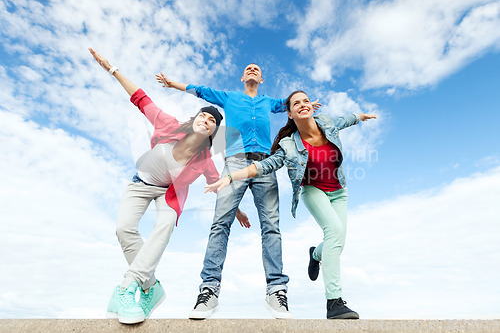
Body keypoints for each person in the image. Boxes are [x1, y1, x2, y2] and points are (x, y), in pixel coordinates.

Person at [88, 48, 250, 324]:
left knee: (163, 225)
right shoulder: (168, 124)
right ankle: (151, 286)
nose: (206, 120)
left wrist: (237, 211)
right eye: (203, 116)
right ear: (195, 119)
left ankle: (129, 286)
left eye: (212, 121)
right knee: (123, 229)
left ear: (213, 131)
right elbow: (140, 99)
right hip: (141, 184)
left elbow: (218, 185)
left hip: (169, 195)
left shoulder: (205, 161)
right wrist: (112, 69)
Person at [156, 66, 320, 319]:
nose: (252, 69)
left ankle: (276, 290)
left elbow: (292, 104)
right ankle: (209, 290)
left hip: (265, 164)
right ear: (243, 78)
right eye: (248, 69)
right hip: (235, 161)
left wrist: (305, 107)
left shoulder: (269, 102)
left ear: (261, 79)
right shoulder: (229, 97)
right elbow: (200, 90)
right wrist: (172, 84)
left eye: (257, 69)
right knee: (220, 223)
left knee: (271, 227)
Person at [205, 90, 377, 319]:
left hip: (339, 192)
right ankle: (334, 302)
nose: (303, 105)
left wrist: (361, 116)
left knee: (337, 241)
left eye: (306, 101)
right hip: (313, 190)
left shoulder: (326, 121)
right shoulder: (288, 143)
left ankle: (316, 255)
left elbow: (346, 119)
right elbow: (265, 166)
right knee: (334, 233)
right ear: (289, 113)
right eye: (296, 103)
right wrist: (230, 177)